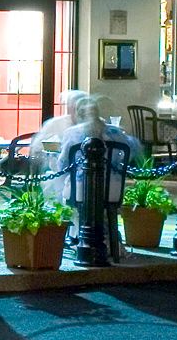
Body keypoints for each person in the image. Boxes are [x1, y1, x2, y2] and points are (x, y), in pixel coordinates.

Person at [53, 96, 142, 253]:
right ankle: (109, 238)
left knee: (56, 186)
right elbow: (134, 149)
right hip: (113, 190)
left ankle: (76, 235)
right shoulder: (115, 132)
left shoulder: (72, 133)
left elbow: (63, 165)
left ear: (78, 115)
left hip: (81, 190)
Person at [29, 89, 88, 155]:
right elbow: (37, 147)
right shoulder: (55, 123)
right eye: (74, 106)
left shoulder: (94, 124)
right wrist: (58, 148)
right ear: (69, 107)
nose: (79, 110)